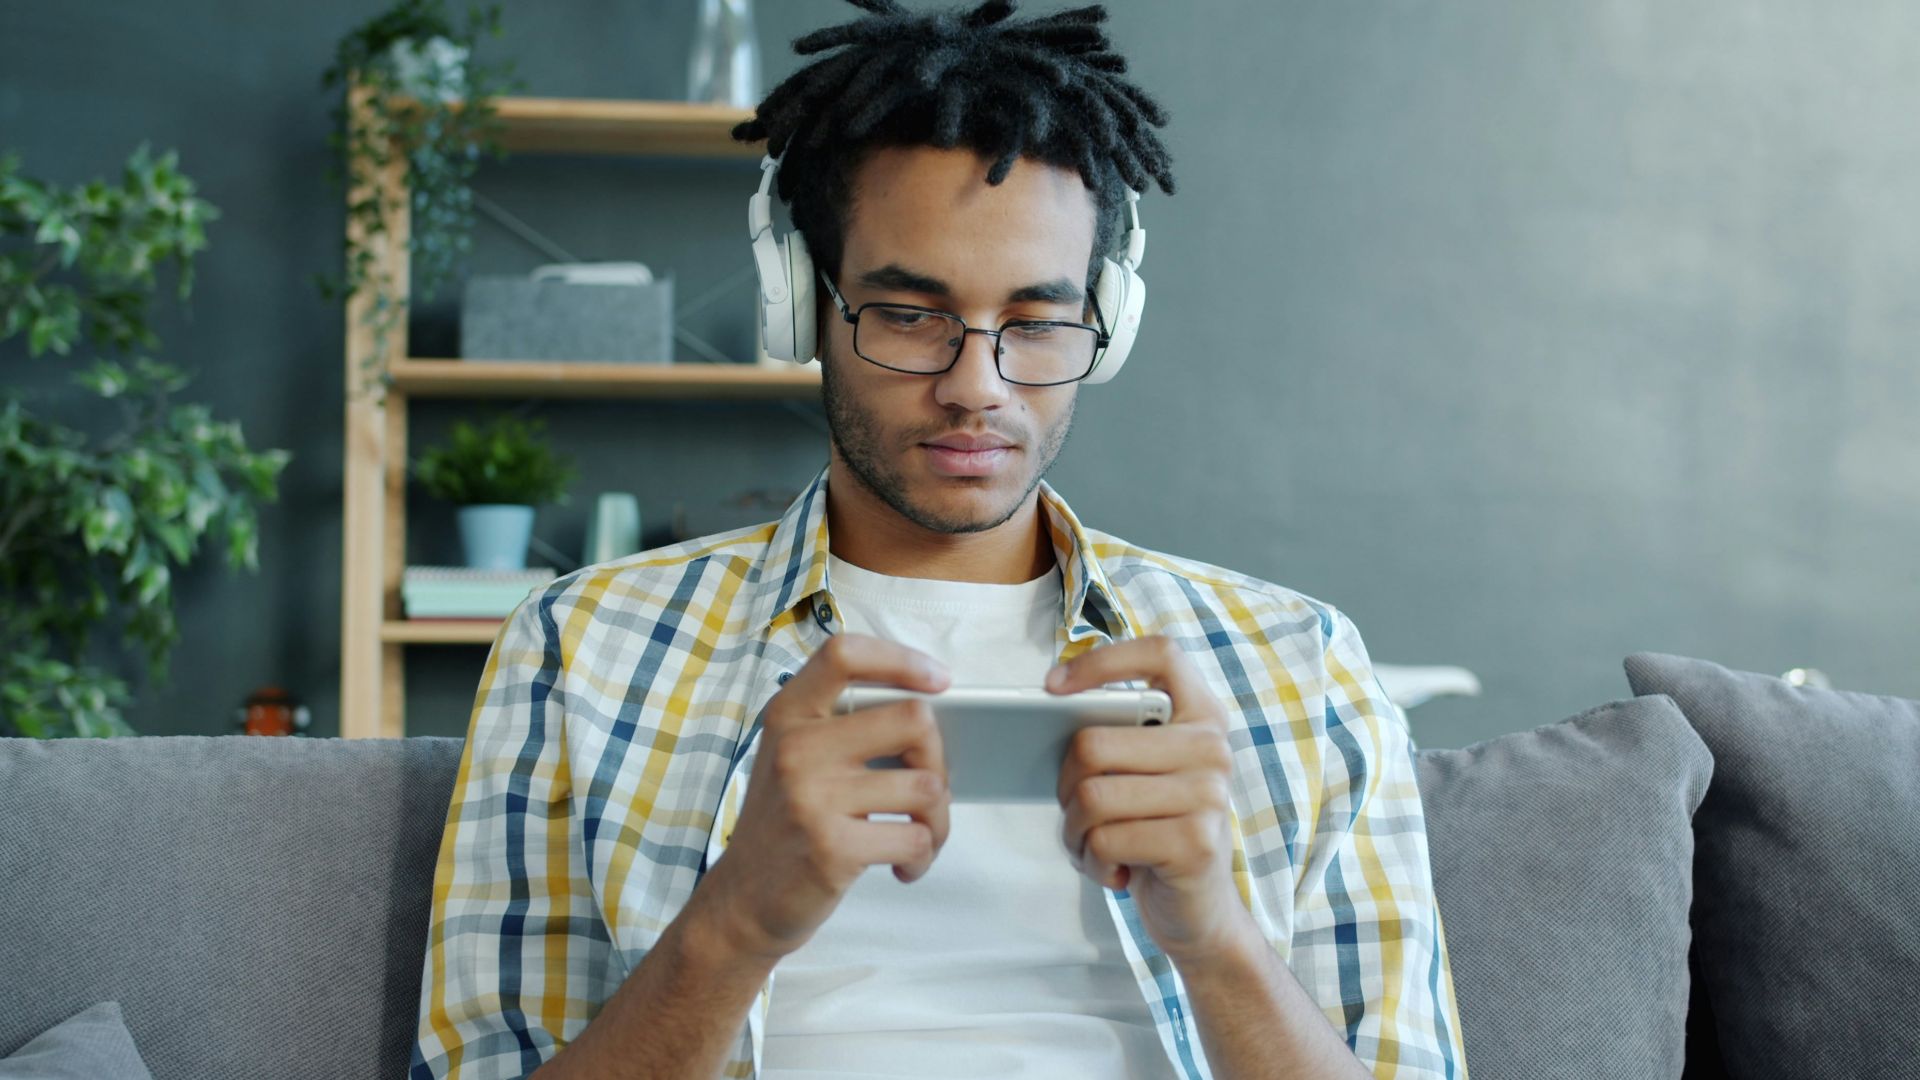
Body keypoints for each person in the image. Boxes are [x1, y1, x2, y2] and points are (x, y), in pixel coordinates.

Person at [409, 2, 1469, 1077]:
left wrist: (1218, 937)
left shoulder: (1301, 665)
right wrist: (732, 925)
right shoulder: (580, 651)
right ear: (799, 308)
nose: (977, 386)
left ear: (1107, 323)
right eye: (909, 314)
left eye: (1039, 320)